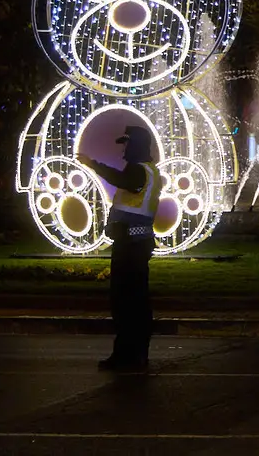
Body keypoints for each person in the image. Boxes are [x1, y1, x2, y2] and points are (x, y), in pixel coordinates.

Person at [77, 125, 162, 372]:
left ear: (136, 145)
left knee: (126, 302)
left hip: (131, 246)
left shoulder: (138, 171)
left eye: (126, 143)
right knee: (134, 302)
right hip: (134, 244)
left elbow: (123, 181)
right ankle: (132, 353)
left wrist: (93, 164)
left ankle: (128, 354)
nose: (123, 148)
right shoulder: (149, 170)